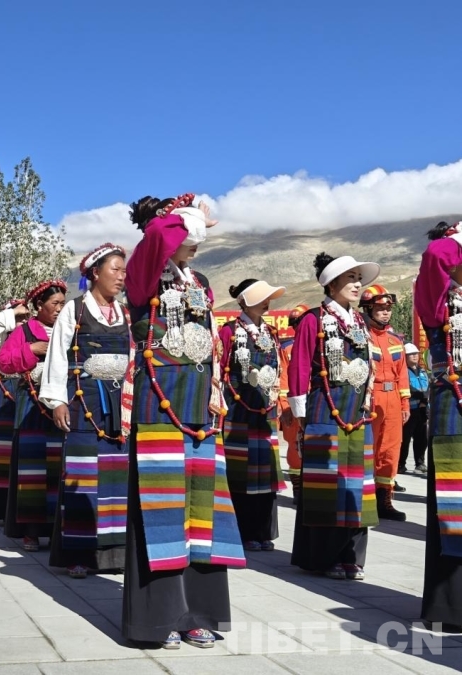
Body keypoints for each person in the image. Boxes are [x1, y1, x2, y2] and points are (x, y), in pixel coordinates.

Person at [121, 194, 244, 650]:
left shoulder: (200, 281)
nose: (196, 241)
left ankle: (197, 613)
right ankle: (159, 617)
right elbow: (158, 235)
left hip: (199, 407)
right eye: (189, 233)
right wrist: (185, 216)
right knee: (161, 509)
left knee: (202, 510)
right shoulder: (143, 274)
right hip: (160, 402)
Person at [288, 252, 380, 581]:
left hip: (357, 410)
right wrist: (301, 414)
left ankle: (351, 554)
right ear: (331, 284)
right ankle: (323, 556)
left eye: (358, 279)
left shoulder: (360, 322)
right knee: (326, 483)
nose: (357, 285)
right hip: (326, 407)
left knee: (357, 484)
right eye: (350, 279)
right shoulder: (313, 319)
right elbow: (299, 366)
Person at [40, 243, 130, 578]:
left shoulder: (126, 314)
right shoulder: (74, 311)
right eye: (115, 269)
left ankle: (116, 553)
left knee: (118, 474)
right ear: (95, 273)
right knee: (83, 476)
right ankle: (79, 554)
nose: (121, 277)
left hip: (121, 405)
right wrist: (57, 400)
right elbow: (57, 354)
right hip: (84, 401)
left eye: (124, 270)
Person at [413, 220, 462, 631]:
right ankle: (451, 606)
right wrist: (456, 238)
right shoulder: (439, 300)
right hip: (454, 405)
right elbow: (436, 256)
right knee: (453, 502)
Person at [0, 280, 67, 553]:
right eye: (54, 304)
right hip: (32, 408)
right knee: (33, 467)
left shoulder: (70, 329)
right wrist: (31, 350)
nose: (59, 309)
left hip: (64, 405)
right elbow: (4, 363)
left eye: (62, 304)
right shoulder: (23, 331)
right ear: (39, 305)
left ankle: (61, 528)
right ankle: (32, 531)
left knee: (61, 466)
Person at [220, 279, 287, 551]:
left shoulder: (271, 332)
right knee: (241, 472)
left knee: (265, 470)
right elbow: (220, 369)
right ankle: (243, 531)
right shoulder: (229, 331)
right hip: (238, 409)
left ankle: (263, 531)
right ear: (244, 302)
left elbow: (279, 370)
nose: (266, 302)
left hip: (265, 409)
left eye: (267, 298)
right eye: (260, 298)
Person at [359, 284, 411, 520]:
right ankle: (364, 499)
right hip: (371, 398)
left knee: (391, 450)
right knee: (368, 449)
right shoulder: (361, 337)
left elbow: (402, 374)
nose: (386, 312)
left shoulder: (395, 339)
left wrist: (405, 403)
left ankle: (385, 500)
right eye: (380, 308)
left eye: (388, 308)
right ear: (368, 309)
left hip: (393, 399)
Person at [0, 299, 30, 520]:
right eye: (18, 318)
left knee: (26, 449)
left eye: (25, 317)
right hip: (7, 390)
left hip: (29, 390)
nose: (22, 321)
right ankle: (1, 506)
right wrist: (15, 310)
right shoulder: (2, 337)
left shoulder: (34, 332)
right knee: (3, 449)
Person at [279, 304, 310, 504]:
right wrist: (285, 407)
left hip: (314, 403)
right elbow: (282, 379)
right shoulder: (287, 348)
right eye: (296, 323)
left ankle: (312, 487)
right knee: (294, 447)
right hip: (292, 405)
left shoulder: (318, 345)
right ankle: (298, 488)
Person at [399, 343, 429, 475]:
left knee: (422, 439)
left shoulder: (423, 371)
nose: (415, 356)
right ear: (405, 356)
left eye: (416, 353)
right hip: (409, 410)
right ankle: (401, 464)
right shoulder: (403, 371)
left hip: (422, 410)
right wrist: (422, 396)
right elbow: (407, 389)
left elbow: (428, 386)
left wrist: (425, 398)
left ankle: (420, 463)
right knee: (405, 439)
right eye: (411, 354)